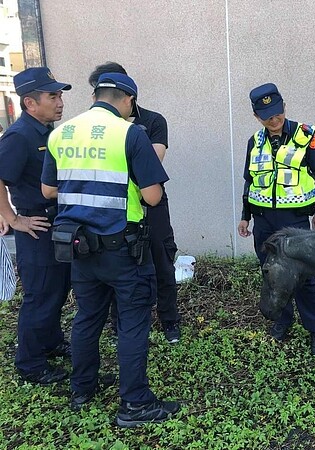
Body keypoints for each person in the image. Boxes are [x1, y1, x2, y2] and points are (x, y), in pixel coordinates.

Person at [41, 72, 180, 425]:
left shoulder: (61, 134)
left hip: (78, 247)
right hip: (122, 248)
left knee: (87, 317)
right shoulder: (130, 133)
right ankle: (135, 404)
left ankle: (82, 388)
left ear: (95, 96)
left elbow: (47, 191)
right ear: (128, 100)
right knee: (133, 321)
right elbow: (152, 195)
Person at [88, 62, 181, 344]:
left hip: (151, 207)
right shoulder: (96, 129)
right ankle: (119, 326)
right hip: (118, 209)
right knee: (122, 266)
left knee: (162, 263)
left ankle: (169, 321)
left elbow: (153, 162)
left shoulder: (152, 121)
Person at [237, 83, 315, 355]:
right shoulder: (254, 142)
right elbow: (250, 181)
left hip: (296, 222)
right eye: (267, 116)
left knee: (306, 278)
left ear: (284, 107)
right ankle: (282, 321)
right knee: (272, 275)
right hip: (264, 220)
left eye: (277, 114)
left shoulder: (305, 135)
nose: (274, 120)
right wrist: (245, 216)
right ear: (257, 116)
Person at [0, 67, 72, 384]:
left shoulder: (46, 131)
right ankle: (30, 363)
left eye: (59, 95)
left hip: (56, 221)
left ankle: (51, 342)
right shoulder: (19, 136)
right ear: (30, 103)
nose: (60, 102)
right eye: (52, 96)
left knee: (58, 287)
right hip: (36, 225)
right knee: (40, 294)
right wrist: (14, 219)